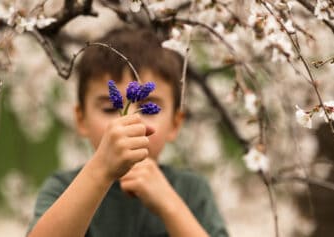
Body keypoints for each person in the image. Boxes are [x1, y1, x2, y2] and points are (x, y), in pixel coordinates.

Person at [26, 28, 228, 237]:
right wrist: (100, 170)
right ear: (81, 119)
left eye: (149, 108)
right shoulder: (63, 188)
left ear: (175, 124)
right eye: (109, 108)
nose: (129, 121)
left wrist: (170, 205)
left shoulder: (191, 190)